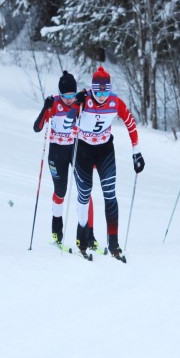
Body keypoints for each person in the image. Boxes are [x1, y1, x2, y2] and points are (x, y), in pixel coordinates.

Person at [71, 66, 144, 260]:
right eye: (98, 91)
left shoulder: (115, 102)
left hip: (104, 150)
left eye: (106, 91)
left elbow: (130, 123)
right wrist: (76, 105)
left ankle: (114, 244)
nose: (102, 96)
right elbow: (70, 120)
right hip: (84, 150)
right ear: (92, 88)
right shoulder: (84, 100)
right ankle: (82, 240)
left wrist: (136, 151)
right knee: (84, 193)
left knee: (110, 193)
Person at [32, 71, 94, 246]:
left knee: (84, 188)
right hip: (57, 151)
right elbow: (37, 127)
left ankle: (88, 234)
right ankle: (57, 230)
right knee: (60, 190)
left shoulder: (79, 102)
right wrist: (45, 108)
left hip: (75, 148)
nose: (69, 99)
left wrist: (83, 97)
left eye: (72, 95)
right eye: (65, 96)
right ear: (60, 94)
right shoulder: (54, 103)